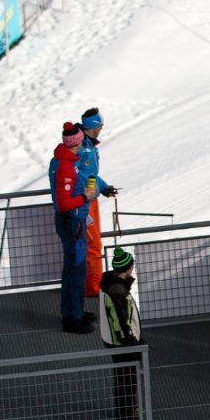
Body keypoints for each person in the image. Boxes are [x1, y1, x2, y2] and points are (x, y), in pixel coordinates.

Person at [48, 122, 97, 333]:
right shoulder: (66, 166)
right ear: (75, 143)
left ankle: (74, 310)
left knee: (74, 269)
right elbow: (64, 202)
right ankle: (72, 319)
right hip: (72, 223)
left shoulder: (61, 161)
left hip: (71, 222)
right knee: (75, 270)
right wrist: (84, 197)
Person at [98, 246, 143, 420]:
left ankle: (125, 412)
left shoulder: (110, 284)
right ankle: (126, 417)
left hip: (112, 340)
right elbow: (121, 321)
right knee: (127, 379)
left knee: (122, 377)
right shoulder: (118, 292)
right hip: (122, 343)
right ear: (127, 268)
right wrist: (132, 342)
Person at [77, 107, 119, 311]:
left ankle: (92, 285)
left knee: (94, 243)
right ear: (94, 126)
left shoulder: (90, 146)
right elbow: (80, 174)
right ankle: (92, 289)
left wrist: (103, 188)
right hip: (83, 201)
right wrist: (95, 188)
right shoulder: (81, 146)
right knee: (92, 244)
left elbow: (90, 173)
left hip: (90, 198)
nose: (102, 127)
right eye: (100, 124)